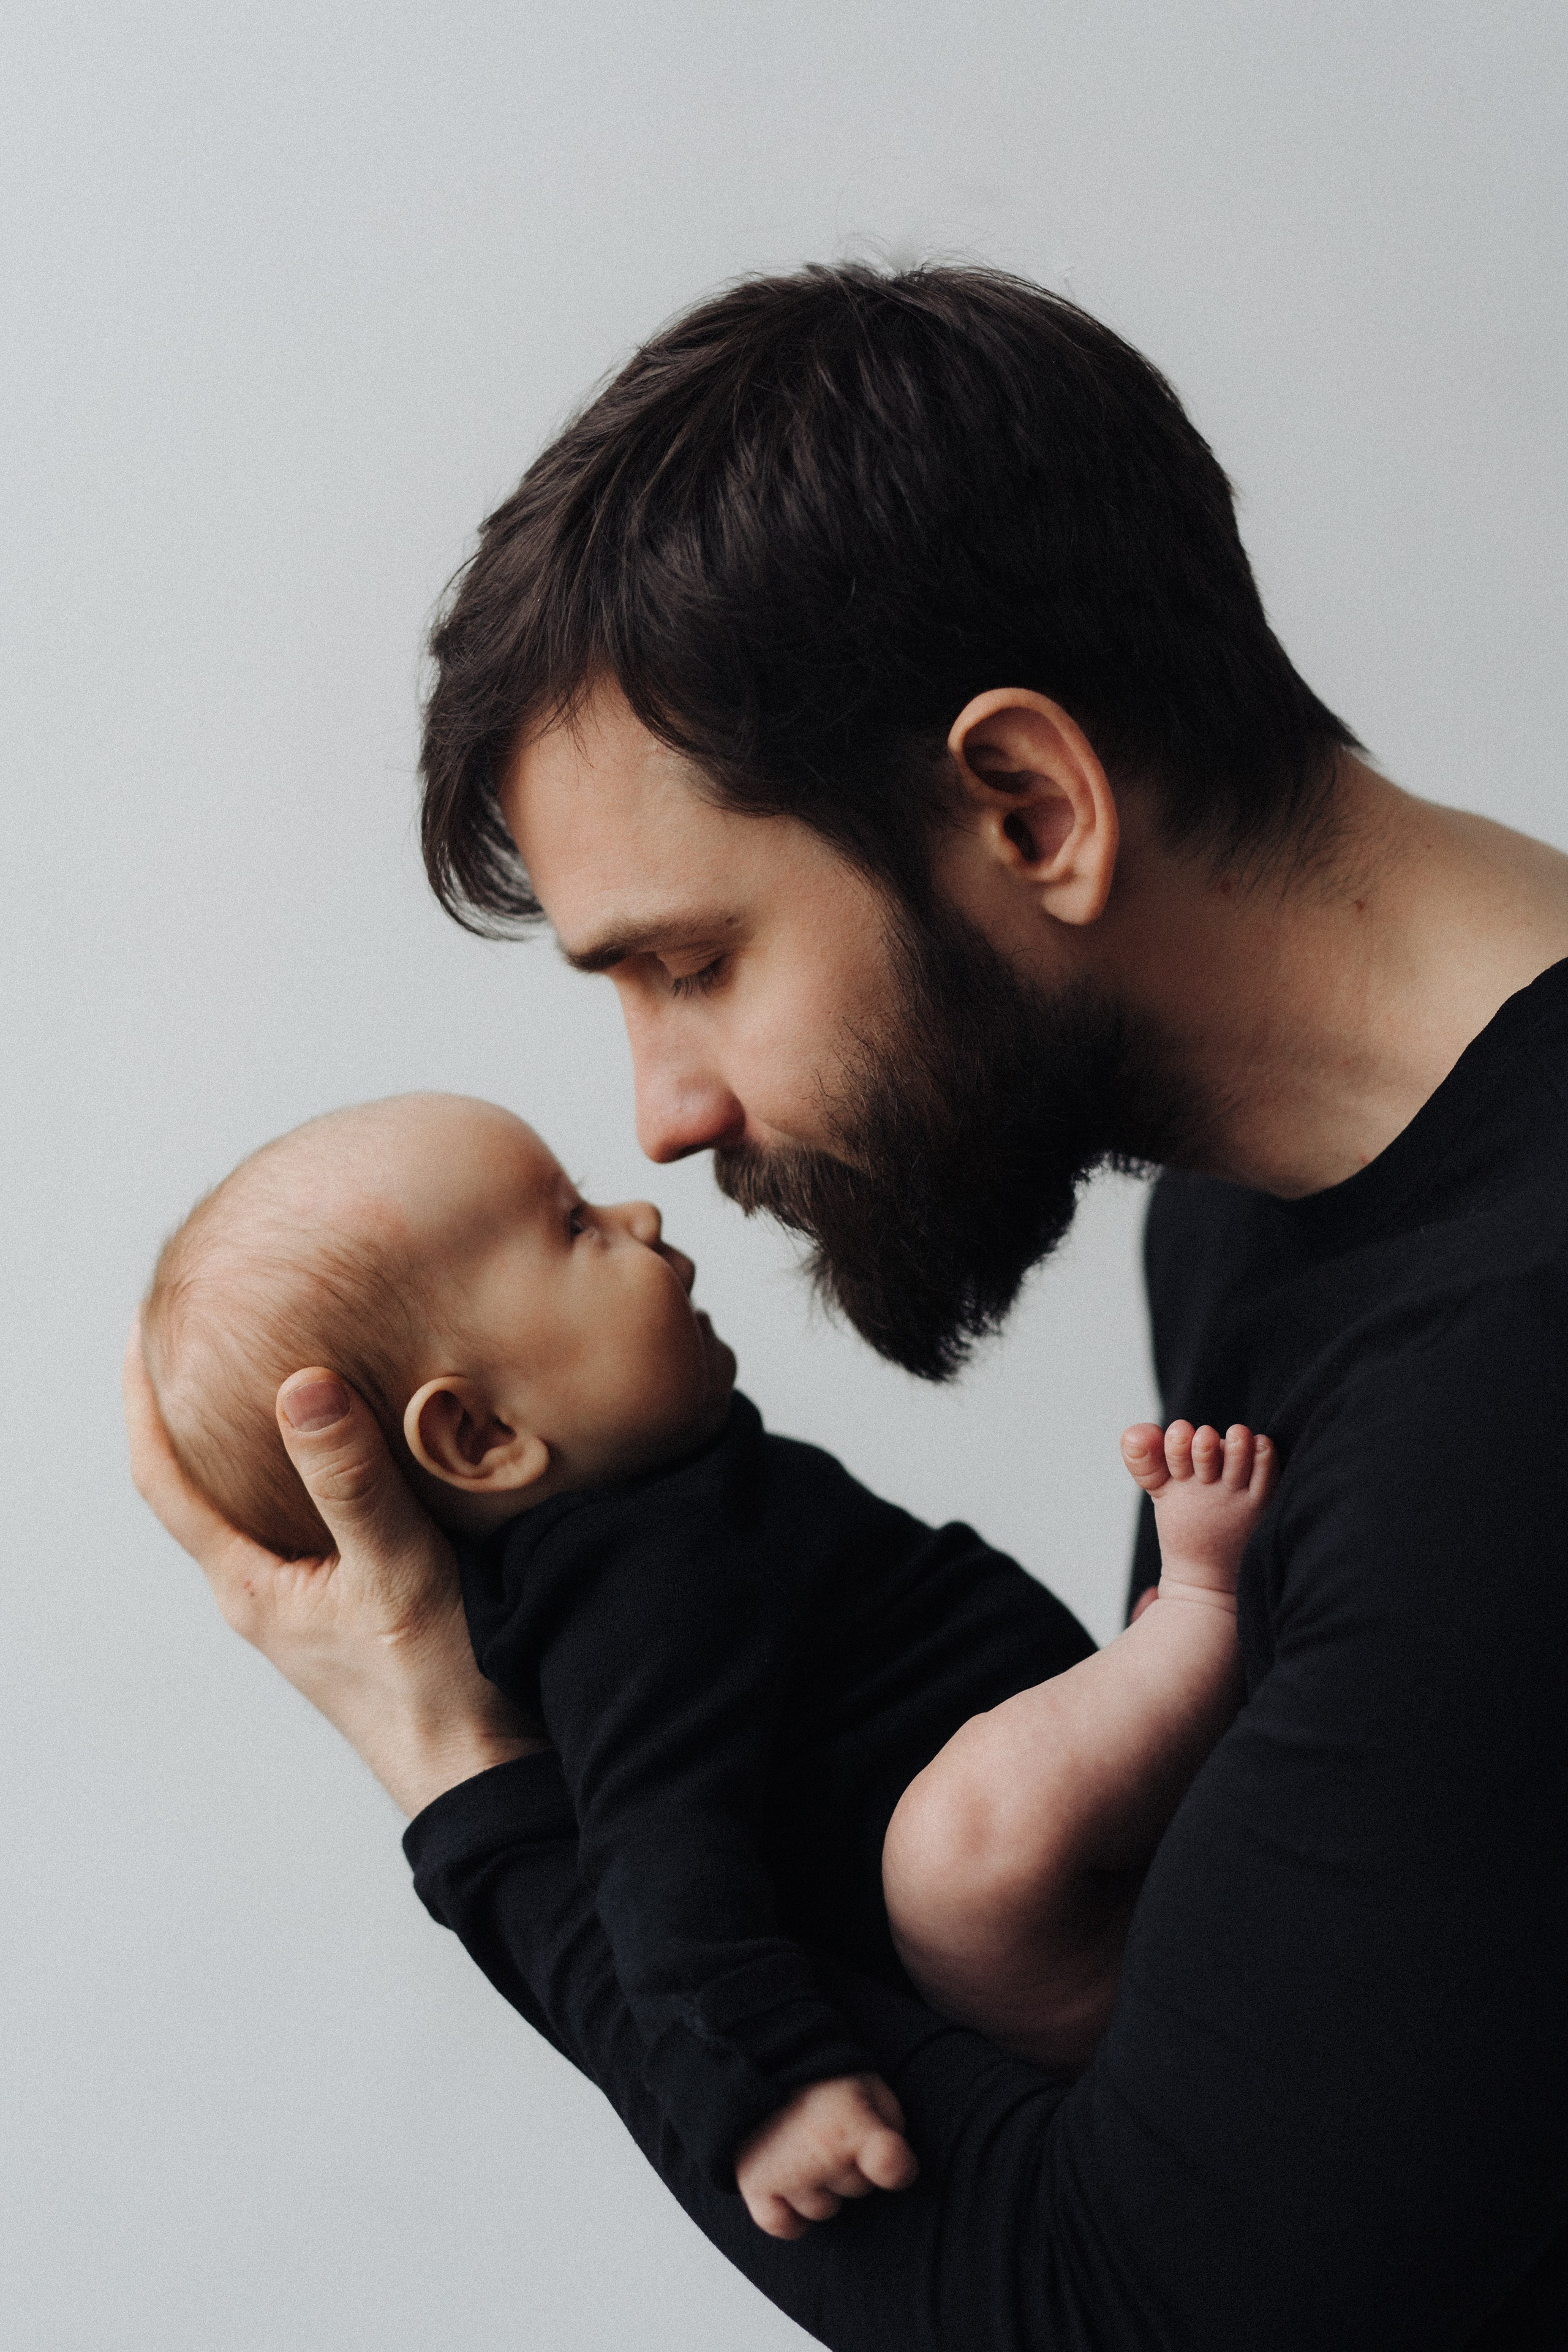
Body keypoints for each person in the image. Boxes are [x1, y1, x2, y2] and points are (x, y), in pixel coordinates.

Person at [127, 263, 1568, 2346]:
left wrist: (467, 1787)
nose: (668, 1117)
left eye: (693, 962)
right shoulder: (1248, 1225)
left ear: (1027, 809)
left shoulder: (1512, 1389)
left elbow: (1135, 2313)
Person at [139, 1089, 1272, 2239]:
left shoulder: (664, 1501)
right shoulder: (629, 1597)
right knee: (969, 1841)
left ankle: (1165, 1681)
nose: (637, 1212)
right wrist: (770, 2088)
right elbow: (655, 1863)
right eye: (573, 1224)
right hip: (1025, 1947)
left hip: (1100, 1871)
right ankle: (1204, 1607)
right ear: (480, 1438)